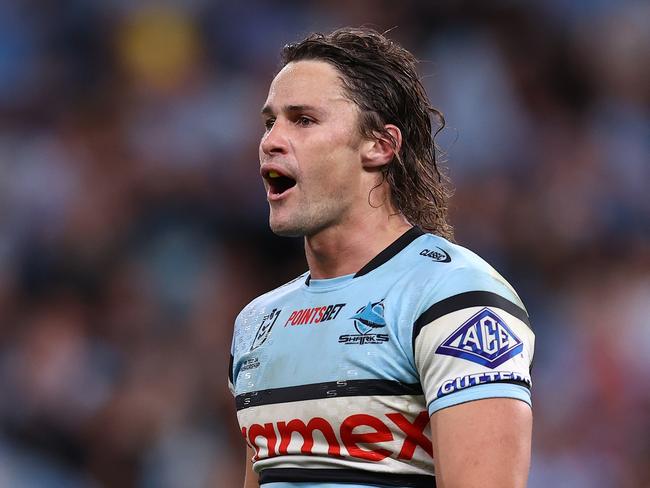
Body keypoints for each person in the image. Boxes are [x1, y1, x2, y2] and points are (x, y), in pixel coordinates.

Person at [229, 27, 534, 488]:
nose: (271, 140)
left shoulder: (454, 298)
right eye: (270, 122)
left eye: (304, 120)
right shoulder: (256, 323)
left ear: (380, 145)